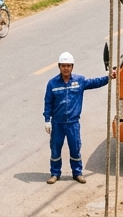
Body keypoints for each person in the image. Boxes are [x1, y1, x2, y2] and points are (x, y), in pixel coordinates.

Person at [43, 51, 115, 184]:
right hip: (57, 123)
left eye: (68, 66)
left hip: (73, 123)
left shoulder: (79, 81)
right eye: (63, 66)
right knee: (55, 149)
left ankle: (77, 173)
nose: (66, 68)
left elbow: (94, 82)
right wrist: (47, 120)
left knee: (75, 148)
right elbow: (48, 102)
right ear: (59, 66)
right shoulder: (52, 84)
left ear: (72, 67)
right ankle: (55, 173)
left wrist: (108, 77)